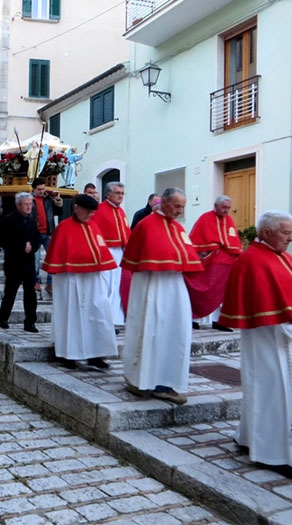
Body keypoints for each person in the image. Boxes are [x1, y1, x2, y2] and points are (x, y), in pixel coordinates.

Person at [218, 211, 292, 469]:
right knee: (271, 389)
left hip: (280, 337)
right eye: (286, 233)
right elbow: (265, 304)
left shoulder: (279, 256)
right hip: (267, 336)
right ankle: (271, 453)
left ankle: (249, 437)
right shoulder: (254, 260)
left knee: (269, 388)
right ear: (267, 232)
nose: (290, 238)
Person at [120, 188, 203, 404]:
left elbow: (186, 256)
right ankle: (140, 381)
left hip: (175, 288)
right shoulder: (146, 225)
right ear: (164, 202)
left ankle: (166, 383)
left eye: (182, 207)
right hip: (151, 286)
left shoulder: (178, 228)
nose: (180, 211)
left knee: (175, 333)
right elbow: (142, 258)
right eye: (177, 206)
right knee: (149, 332)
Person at [42, 194, 118, 369]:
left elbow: (100, 249)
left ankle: (96, 354)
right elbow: (58, 255)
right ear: (77, 208)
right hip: (71, 278)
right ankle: (69, 353)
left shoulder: (93, 226)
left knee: (98, 312)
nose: (91, 215)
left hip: (93, 278)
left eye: (93, 212)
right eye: (88, 211)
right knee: (71, 314)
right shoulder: (64, 228)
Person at [185, 196, 242, 331]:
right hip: (210, 263)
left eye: (228, 208)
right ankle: (194, 319)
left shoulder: (229, 220)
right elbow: (197, 241)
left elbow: (233, 241)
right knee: (202, 291)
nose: (226, 211)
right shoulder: (205, 218)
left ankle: (220, 321)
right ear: (215, 206)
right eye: (224, 207)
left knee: (224, 294)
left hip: (227, 264)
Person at [0, 192, 41, 332]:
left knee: (30, 294)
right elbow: (4, 241)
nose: (29, 207)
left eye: (30, 204)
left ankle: (30, 321)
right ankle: (3, 317)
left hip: (28, 262)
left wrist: (32, 246)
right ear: (18, 205)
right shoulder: (8, 220)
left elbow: (37, 238)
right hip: (14, 262)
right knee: (10, 292)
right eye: (26, 204)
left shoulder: (32, 220)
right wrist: (22, 246)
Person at [92, 182, 130, 327]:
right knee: (106, 286)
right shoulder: (99, 210)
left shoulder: (121, 211)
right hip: (105, 252)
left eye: (122, 193)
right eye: (117, 193)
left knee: (117, 285)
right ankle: (103, 317)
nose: (120, 196)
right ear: (108, 194)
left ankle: (116, 317)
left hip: (119, 253)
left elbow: (126, 232)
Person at [30, 178, 63, 294]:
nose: (41, 191)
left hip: (48, 232)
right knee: (35, 260)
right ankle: (35, 281)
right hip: (35, 234)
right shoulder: (29, 199)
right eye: (39, 189)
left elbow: (58, 212)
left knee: (53, 258)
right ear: (34, 189)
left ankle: (50, 283)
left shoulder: (48, 199)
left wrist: (58, 199)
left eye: (43, 189)